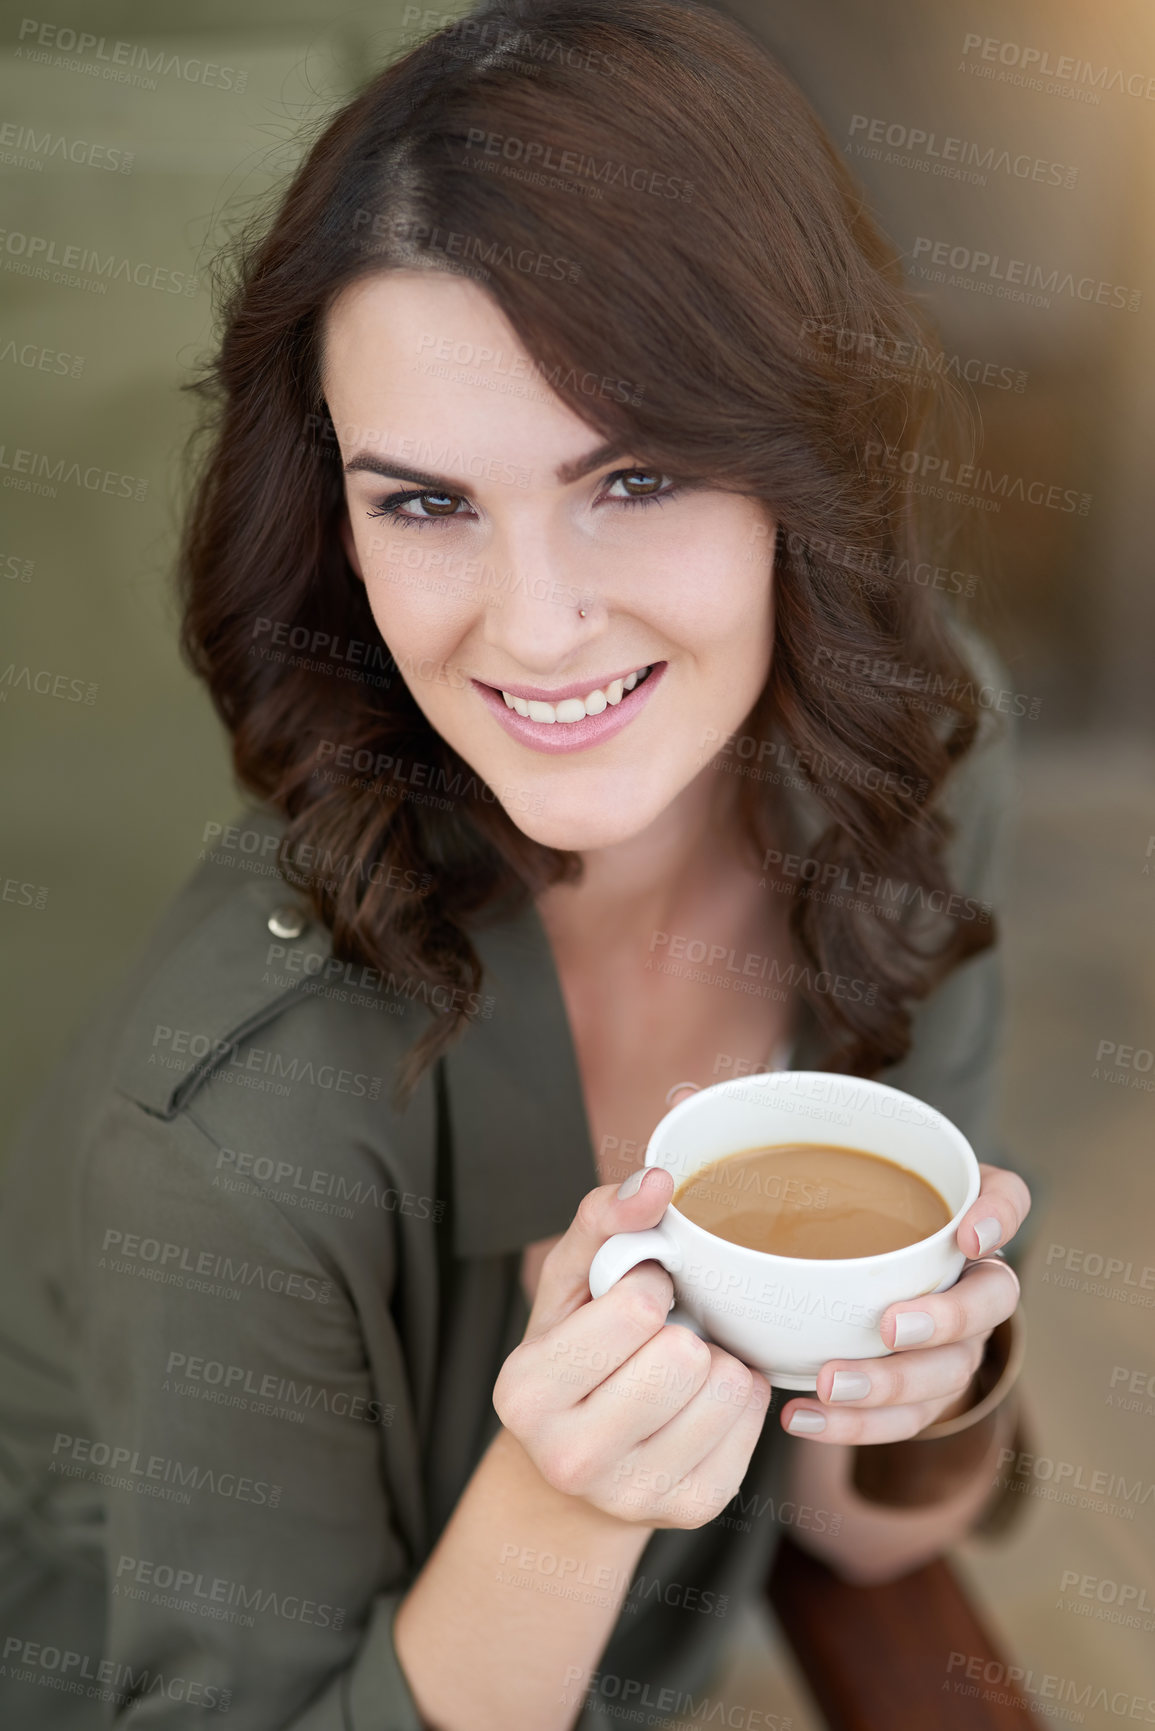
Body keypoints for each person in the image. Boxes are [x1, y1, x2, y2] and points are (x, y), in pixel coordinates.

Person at [0, 1, 1030, 1726]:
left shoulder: (915, 771)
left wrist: (946, 1375)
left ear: (809, 463)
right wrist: (560, 1499)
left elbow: (865, 1533)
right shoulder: (238, 1132)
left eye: (634, 475)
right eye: (423, 503)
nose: (538, 628)